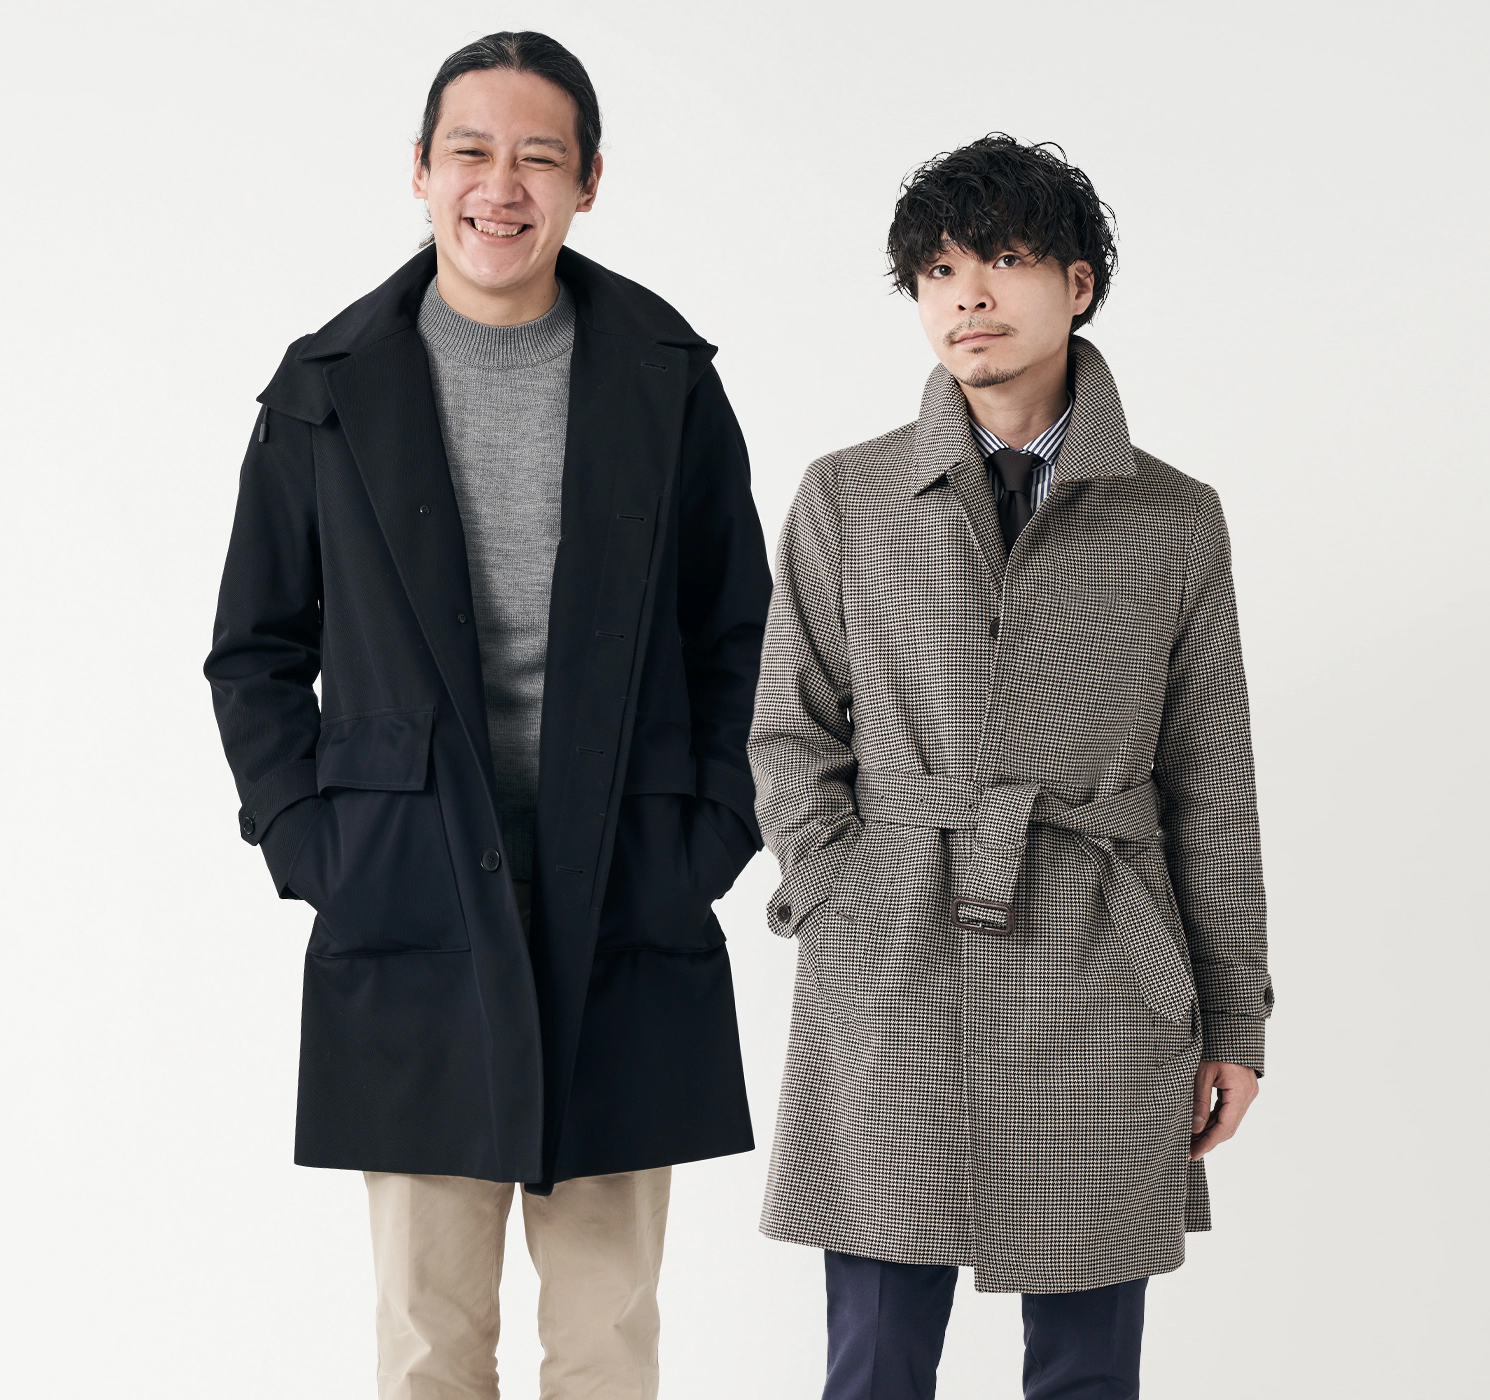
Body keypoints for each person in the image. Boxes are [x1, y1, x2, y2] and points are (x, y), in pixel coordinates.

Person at [203, 31, 770, 1400]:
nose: (499, 187)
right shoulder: (327, 385)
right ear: (419, 169)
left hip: (623, 891)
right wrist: (317, 843)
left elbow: (744, 634)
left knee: (606, 1341)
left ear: (587, 182)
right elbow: (255, 649)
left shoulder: (666, 377)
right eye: (470, 152)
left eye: (537, 157)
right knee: (427, 1343)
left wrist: (706, 836)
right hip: (409, 900)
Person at [747, 135, 1273, 1399]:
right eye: (937, 270)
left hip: (1101, 961)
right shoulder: (847, 495)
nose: (967, 295)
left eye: (1004, 258)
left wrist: (1235, 1017)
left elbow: (1211, 777)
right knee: (875, 1359)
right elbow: (788, 728)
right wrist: (839, 887)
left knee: (1087, 1364)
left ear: (1077, 284)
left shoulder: (1171, 515)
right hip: (894, 955)